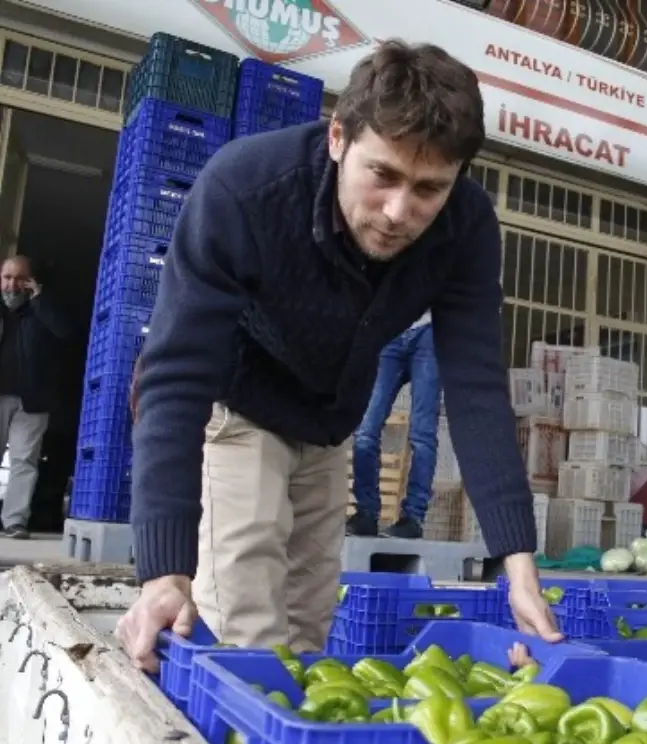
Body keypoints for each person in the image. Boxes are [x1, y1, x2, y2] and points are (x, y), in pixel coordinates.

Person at [118, 40, 560, 671]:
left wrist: (519, 564)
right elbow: (174, 376)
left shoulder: (466, 226)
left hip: (329, 423)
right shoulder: (245, 189)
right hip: (239, 403)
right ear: (338, 139)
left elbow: (476, 387)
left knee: (306, 635)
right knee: (249, 631)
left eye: (429, 188)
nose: (399, 212)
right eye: (382, 175)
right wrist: (162, 573)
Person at [348, 314, 439, 539]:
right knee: (365, 430)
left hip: (431, 331)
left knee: (422, 433)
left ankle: (413, 517)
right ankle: (366, 513)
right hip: (390, 331)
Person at [0, 256, 70, 539]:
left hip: (34, 400)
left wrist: (40, 299)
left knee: (24, 461)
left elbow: (66, 333)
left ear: (31, 281)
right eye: (7, 277)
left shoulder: (43, 308)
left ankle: (14, 521)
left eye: (19, 278)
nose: (12, 284)